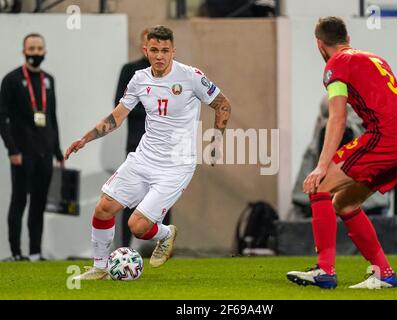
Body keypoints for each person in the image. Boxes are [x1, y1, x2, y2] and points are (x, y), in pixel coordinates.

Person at [65, 25, 231, 280]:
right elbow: (117, 117)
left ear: (173, 51)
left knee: (138, 227)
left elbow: (223, 105)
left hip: (176, 165)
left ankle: (165, 234)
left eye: (165, 50)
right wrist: (85, 138)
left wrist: (216, 141)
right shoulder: (139, 78)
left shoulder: (191, 76)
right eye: (155, 50)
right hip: (143, 157)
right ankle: (99, 268)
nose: (160, 56)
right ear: (146, 50)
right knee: (103, 208)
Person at [287, 17, 397, 289]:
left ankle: (324, 270)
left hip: (385, 139)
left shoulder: (336, 65)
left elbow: (337, 117)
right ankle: (384, 272)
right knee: (344, 203)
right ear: (347, 38)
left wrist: (322, 166)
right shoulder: (376, 60)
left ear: (319, 44)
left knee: (320, 185)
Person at [0, 33, 64, 261]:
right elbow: (2, 118)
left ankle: (35, 252)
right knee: (19, 201)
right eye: (31, 48)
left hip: (44, 152)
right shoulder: (11, 80)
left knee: (38, 202)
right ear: (23, 51)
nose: (35, 53)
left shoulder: (49, 80)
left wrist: (58, 150)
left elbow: (52, 116)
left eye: (39, 49)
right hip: (22, 153)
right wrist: (12, 149)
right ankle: (16, 252)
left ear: (44, 52)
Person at [114, 28, 170, 248]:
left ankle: (164, 244)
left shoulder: (173, 74)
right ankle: (124, 247)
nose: (157, 53)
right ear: (143, 46)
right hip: (137, 143)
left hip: (165, 147)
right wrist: (155, 111)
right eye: (151, 46)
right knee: (129, 196)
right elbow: (120, 106)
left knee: (164, 197)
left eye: (161, 49)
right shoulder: (131, 71)